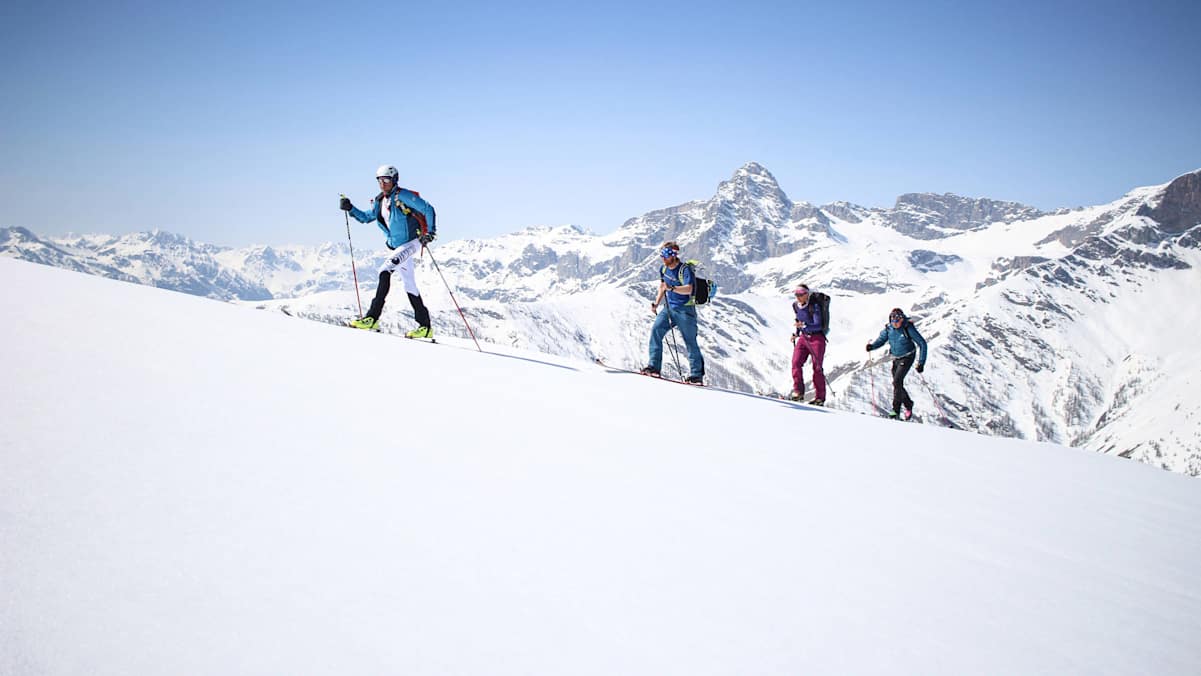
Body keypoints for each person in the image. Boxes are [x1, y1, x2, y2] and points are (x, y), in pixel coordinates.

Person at [339, 165, 437, 338]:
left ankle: (372, 317)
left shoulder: (403, 195)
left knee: (384, 270)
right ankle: (425, 327)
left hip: (412, 242)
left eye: (386, 180)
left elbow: (428, 208)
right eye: (379, 180)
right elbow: (366, 217)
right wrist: (350, 208)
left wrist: (430, 232)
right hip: (397, 247)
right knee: (409, 284)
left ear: (394, 180)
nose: (382, 183)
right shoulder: (380, 201)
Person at [640, 241, 705, 384]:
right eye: (662, 254)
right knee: (656, 331)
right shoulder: (663, 269)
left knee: (690, 341)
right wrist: (657, 303)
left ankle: (696, 375)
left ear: (674, 255)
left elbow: (689, 289)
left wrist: (672, 289)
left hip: (685, 310)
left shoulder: (684, 270)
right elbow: (662, 286)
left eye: (666, 254)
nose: (663, 257)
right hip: (669, 308)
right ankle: (654, 367)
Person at [865, 308, 928, 420]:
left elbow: (922, 344)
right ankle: (908, 404)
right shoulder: (888, 329)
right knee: (897, 384)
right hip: (896, 358)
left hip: (908, 356)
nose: (895, 323)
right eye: (893, 320)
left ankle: (895, 411)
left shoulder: (908, 328)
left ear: (902, 319)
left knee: (897, 381)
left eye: (898, 320)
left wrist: (921, 363)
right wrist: (872, 346)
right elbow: (881, 340)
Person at [789, 285, 828, 405]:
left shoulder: (814, 306)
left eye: (801, 294)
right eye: (796, 294)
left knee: (817, 367)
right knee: (796, 363)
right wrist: (797, 333)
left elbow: (818, 325)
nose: (798, 297)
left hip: (817, 338)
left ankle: (820, 398)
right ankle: (798, 392)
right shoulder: (796, 306)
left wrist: (804, 326)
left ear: (807, 294)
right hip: (804, 337)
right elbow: (798, 320)